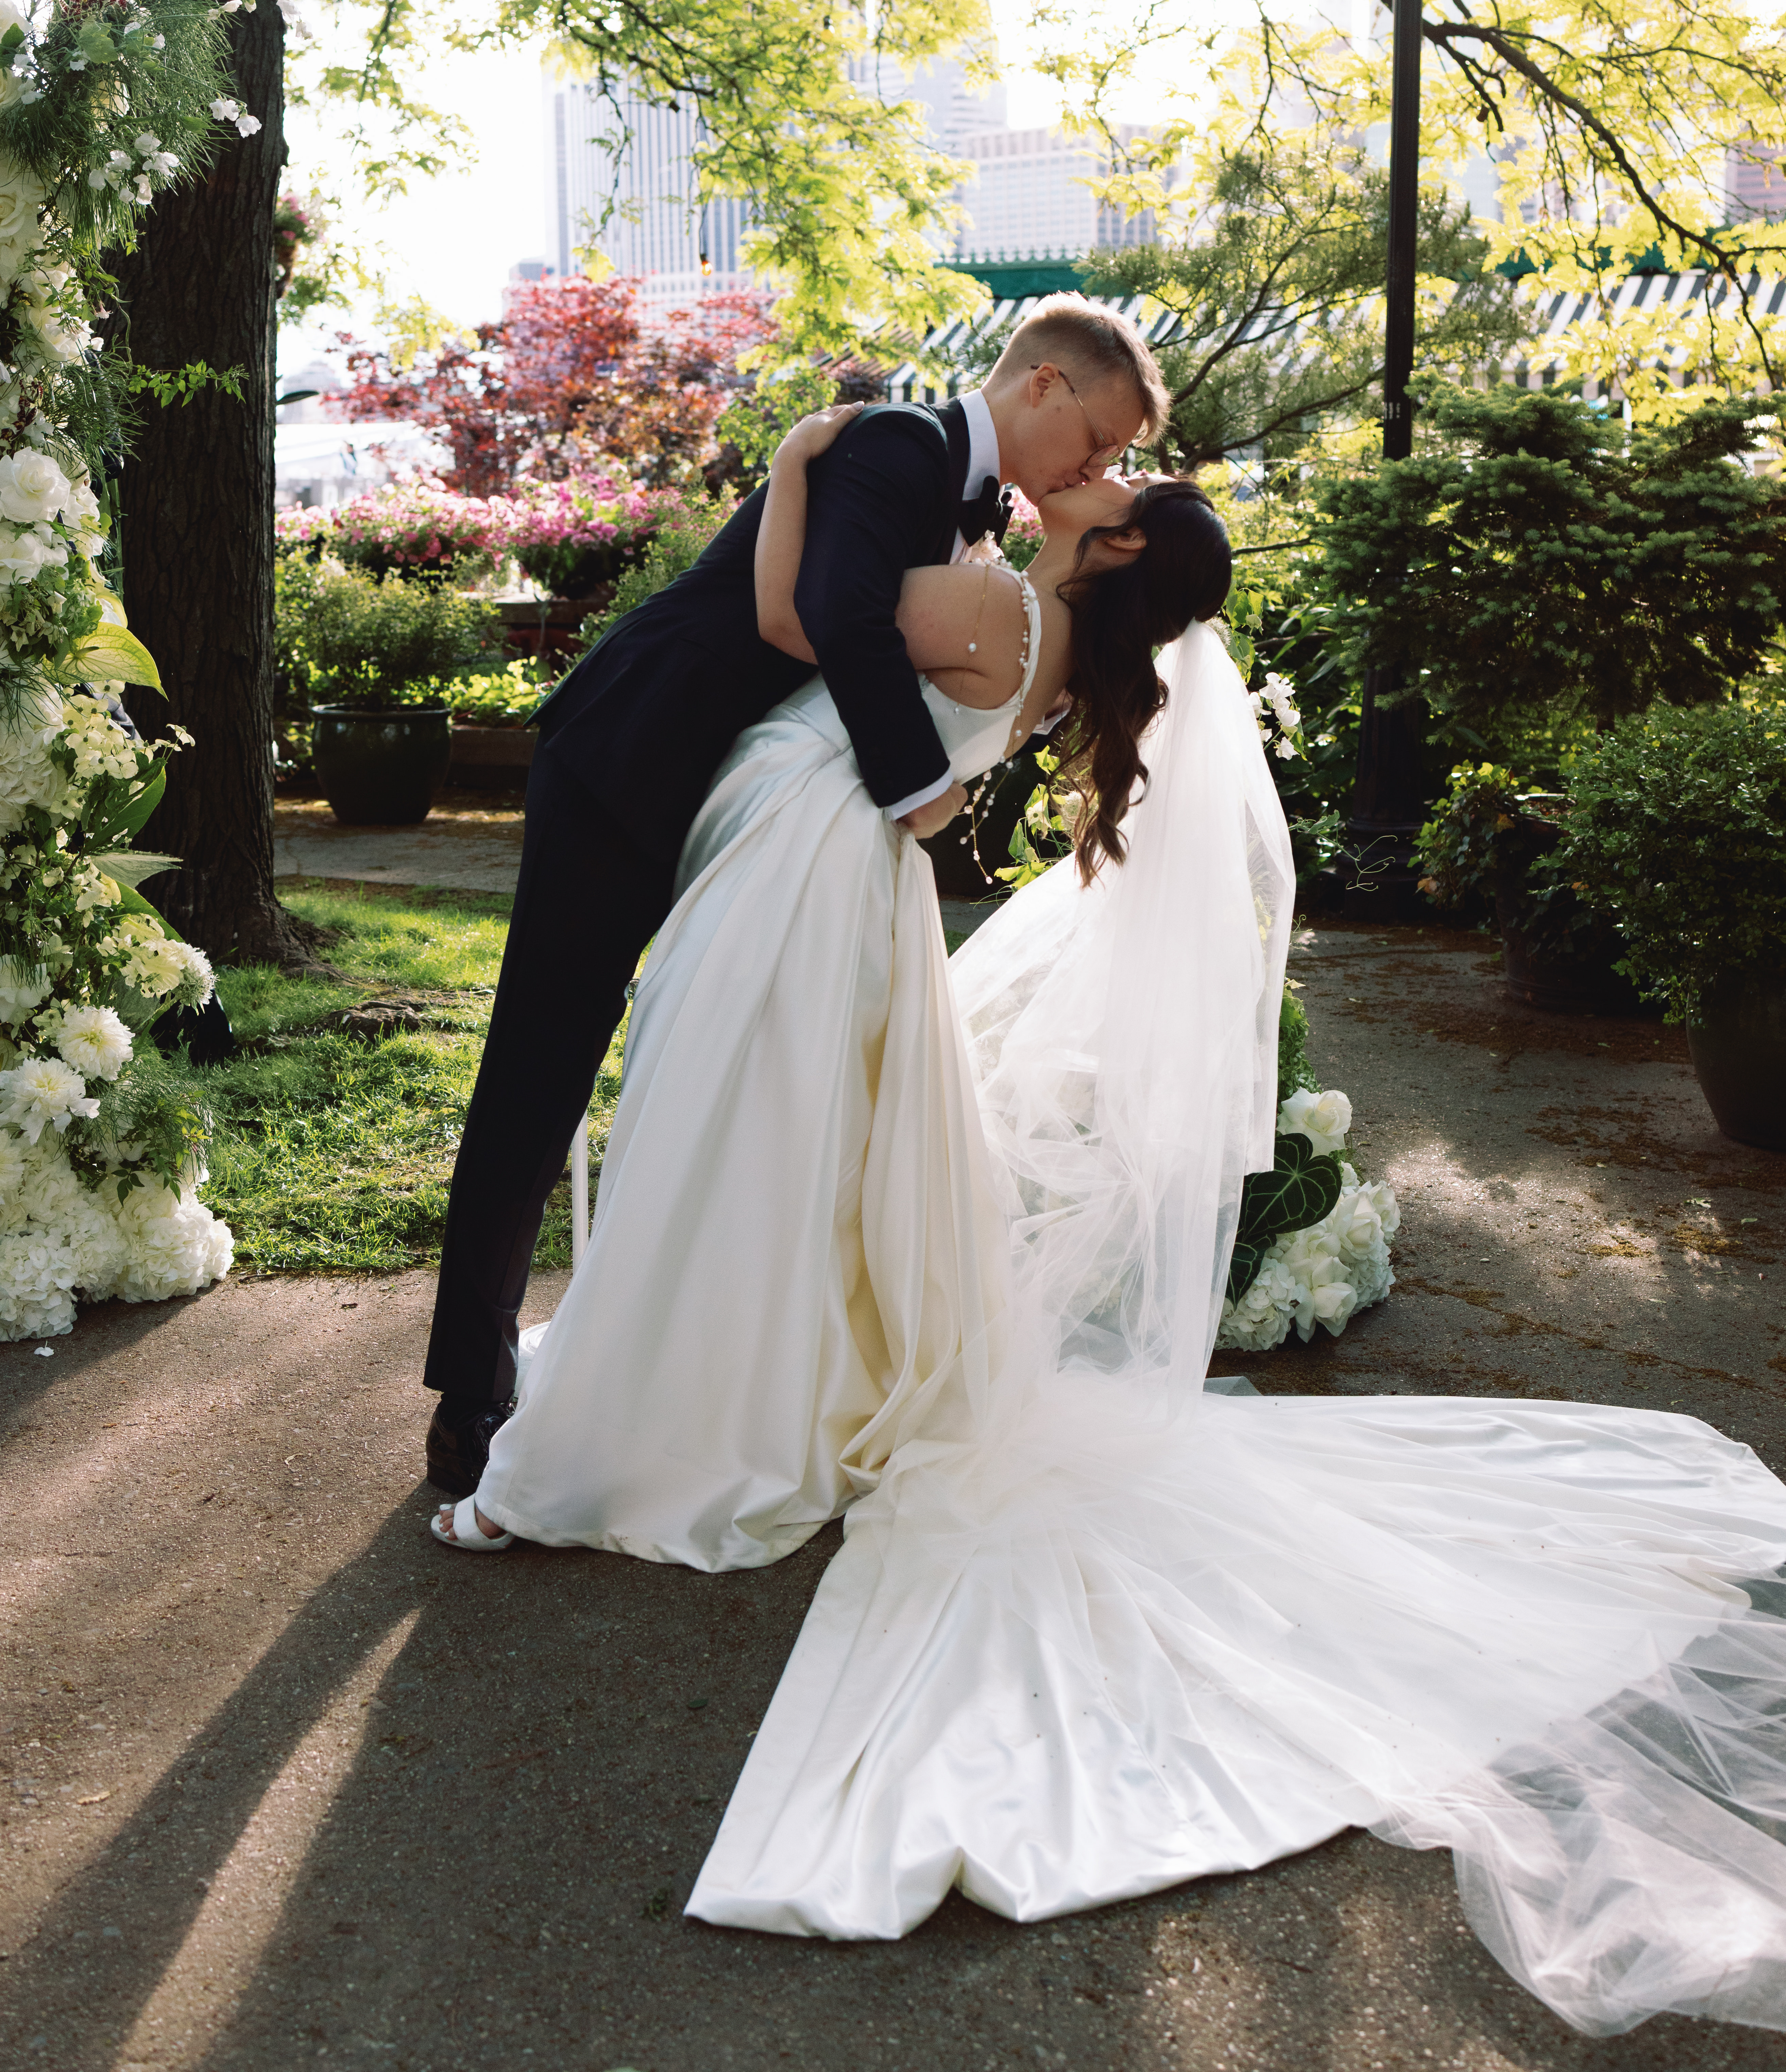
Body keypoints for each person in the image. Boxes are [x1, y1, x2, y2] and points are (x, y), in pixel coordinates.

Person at [433, 414, 1786, 2039]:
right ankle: (720, 1379)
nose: (1105, 480)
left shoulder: (1005, 612)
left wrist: (791, 468)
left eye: (1130, 487)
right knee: (762, 1154)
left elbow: (805, 625)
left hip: (805, 866)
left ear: (1126, 546)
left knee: (723, 1139)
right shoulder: (1047, 628)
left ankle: (638, 1432)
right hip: (827, 867)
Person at [420, 297, 1170, 1495]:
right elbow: (825, 618)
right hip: (632, 762)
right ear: (1042, 385)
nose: (1101, 467)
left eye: (1118, 462)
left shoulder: (960, 503)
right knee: (542, 1067)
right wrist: (925, 795)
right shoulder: (896, 447)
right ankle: (470, 1391)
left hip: (750, 813)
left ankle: (715, 1367)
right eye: (1102, 438)